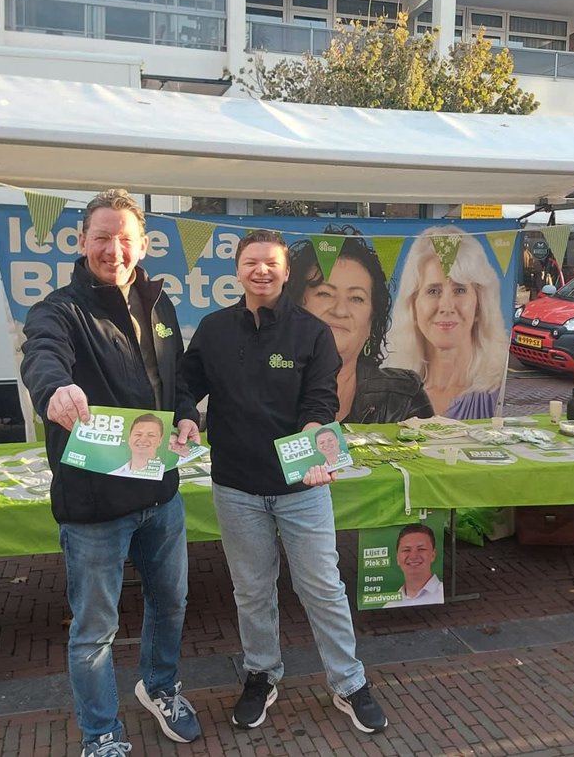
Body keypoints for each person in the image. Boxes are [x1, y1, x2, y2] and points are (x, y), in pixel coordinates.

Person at [178, 229, 389, 735]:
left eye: (271, 263)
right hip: (236, 485)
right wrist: (185, 414)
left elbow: (321, 399)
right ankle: (261, 673)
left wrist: (315, 440)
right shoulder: (214, 329)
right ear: (237, 270)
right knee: (252, 590)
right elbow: (186, 382)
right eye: (251, 262)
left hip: (301, 487)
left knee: (322, 586)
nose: (261, 271)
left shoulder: (311, 332)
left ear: (285, 272)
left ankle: (348, 681)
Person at [20, 189, 202, 756]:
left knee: (171, 603)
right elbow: (41, 354)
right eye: (101, 238)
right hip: (94, 504)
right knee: (95, 630)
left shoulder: (160, 305)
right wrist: (54, 389)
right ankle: (101, 733)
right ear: (81, 242)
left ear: (143, 245)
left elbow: (174, 379)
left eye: (125, 239)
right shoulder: (59, 310)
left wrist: (187, 415)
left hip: (161, 493)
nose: (113, 250)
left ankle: (160, 686)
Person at [286, 230, 433, 424]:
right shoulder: (262, 387)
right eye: (325, 294)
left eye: (356, 298)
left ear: (372, 322)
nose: (340, 311)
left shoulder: (404, 395)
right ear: (294, 306)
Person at [385, 225, 509, 419]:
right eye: (433, 291)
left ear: (480, 304)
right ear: (413, 306)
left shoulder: (499, 392)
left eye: (459, 290)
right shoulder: (391, 391)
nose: (447, 306)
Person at [384, 524, 442, 609]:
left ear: (433, 555)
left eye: (421, 549)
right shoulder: (390, 605)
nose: (413, 556)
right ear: (397, 558)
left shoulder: (444, 595)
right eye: (406, 550)